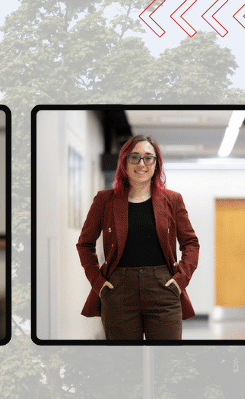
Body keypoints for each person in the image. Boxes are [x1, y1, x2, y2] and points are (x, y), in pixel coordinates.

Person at [76, 135, 198, 340]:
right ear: (124, 162)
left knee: (165, 357)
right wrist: (98, 282)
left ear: (156, 164)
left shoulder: (173, 200)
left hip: (163, 288)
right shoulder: (104, 200)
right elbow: (84, 244)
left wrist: (180, 280)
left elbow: (191, 243)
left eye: (148, 158)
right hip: (118, 291)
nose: (142, 164)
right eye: (135, 157)